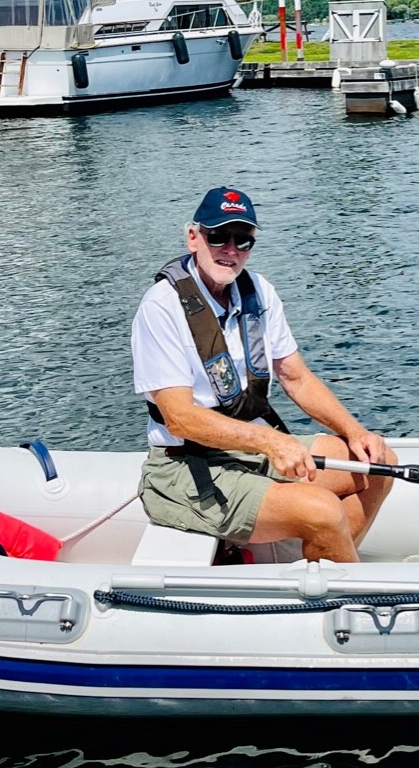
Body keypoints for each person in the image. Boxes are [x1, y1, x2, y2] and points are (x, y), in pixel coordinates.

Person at [132, 186, 397, 561]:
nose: (231, 250)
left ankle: (323, 564)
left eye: (243, 240)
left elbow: (296, 377)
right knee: (322, 510)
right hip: (184, 465)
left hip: (248, 451)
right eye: (219, 236)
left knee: (381, 465)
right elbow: (180, 418)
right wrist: (270, 442)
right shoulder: (162, 307)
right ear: (194, 238)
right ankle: (341, 595)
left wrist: (355, 432)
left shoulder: (259, 292)